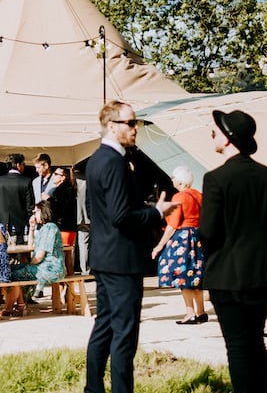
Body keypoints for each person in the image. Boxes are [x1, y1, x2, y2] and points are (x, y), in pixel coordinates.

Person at [85, 100, 176, 393]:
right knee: (124, 334)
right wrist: (156, 213)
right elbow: (121, 216)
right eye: (131, 123)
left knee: (104, 327)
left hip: (105, 256)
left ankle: (93, 388)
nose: (136, 128)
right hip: (122, 260)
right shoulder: (114, 162)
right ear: (113, 126)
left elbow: (102, 211)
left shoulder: (96, 160)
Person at [201, 110, 267, 393]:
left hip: (227, 275)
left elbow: (207, 232)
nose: (212, 135)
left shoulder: (216, 179)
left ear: (228, 139)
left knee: (238, 346)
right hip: (262, 271)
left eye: (215, 132)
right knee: (256, 340)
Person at [151, 165, 207, 325]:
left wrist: (159, 245)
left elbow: (172, 225)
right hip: (198, 236)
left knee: (182, 274)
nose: (172, 180)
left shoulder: (179, 197)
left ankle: (190, 313)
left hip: (184, 237)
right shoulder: (200, 195)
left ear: (181, 182)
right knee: (196, 274)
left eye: (174, 177)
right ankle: (201, 311)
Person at [5, 199, 66, 316]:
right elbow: (31, 245)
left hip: (50, 269)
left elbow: (39, 256)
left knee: (12, 273)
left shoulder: (49, 228)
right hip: (47, 267)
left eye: (35, 212)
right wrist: (32, 228)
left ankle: (12, 307)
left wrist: (29, 266)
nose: (33, 214)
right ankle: (21, 304)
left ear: (43, 211)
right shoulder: (45, 228)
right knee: (13, 269)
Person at [0, 153, 35, 245]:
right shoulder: (26, 181)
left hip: (0, 223)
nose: (24, 166)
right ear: (18, 165)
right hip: (20, 225)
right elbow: (30, 206)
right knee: (20, 251)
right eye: (23, 164)